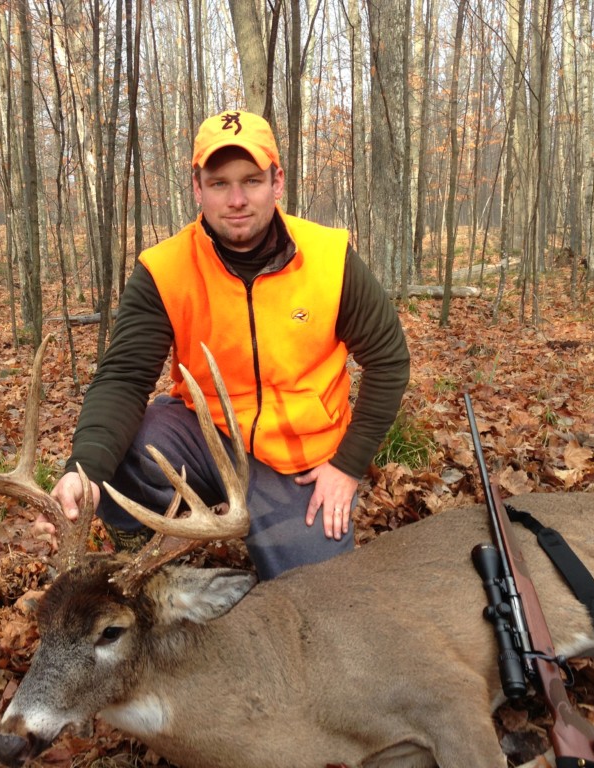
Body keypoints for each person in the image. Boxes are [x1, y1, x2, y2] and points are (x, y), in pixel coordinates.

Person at [50, 109, 409, 580]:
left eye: (252, 181)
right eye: (219, 184)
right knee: (130, 442)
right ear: (197, 187)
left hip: (298, 462)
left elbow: (389, 360)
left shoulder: (328, 258)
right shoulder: (165, 269)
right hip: (206, 435)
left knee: (317, 600)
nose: (236, 199)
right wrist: (84, 470)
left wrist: (347, 466)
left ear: (277, 182)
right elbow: (124, 377)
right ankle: (140, 557)